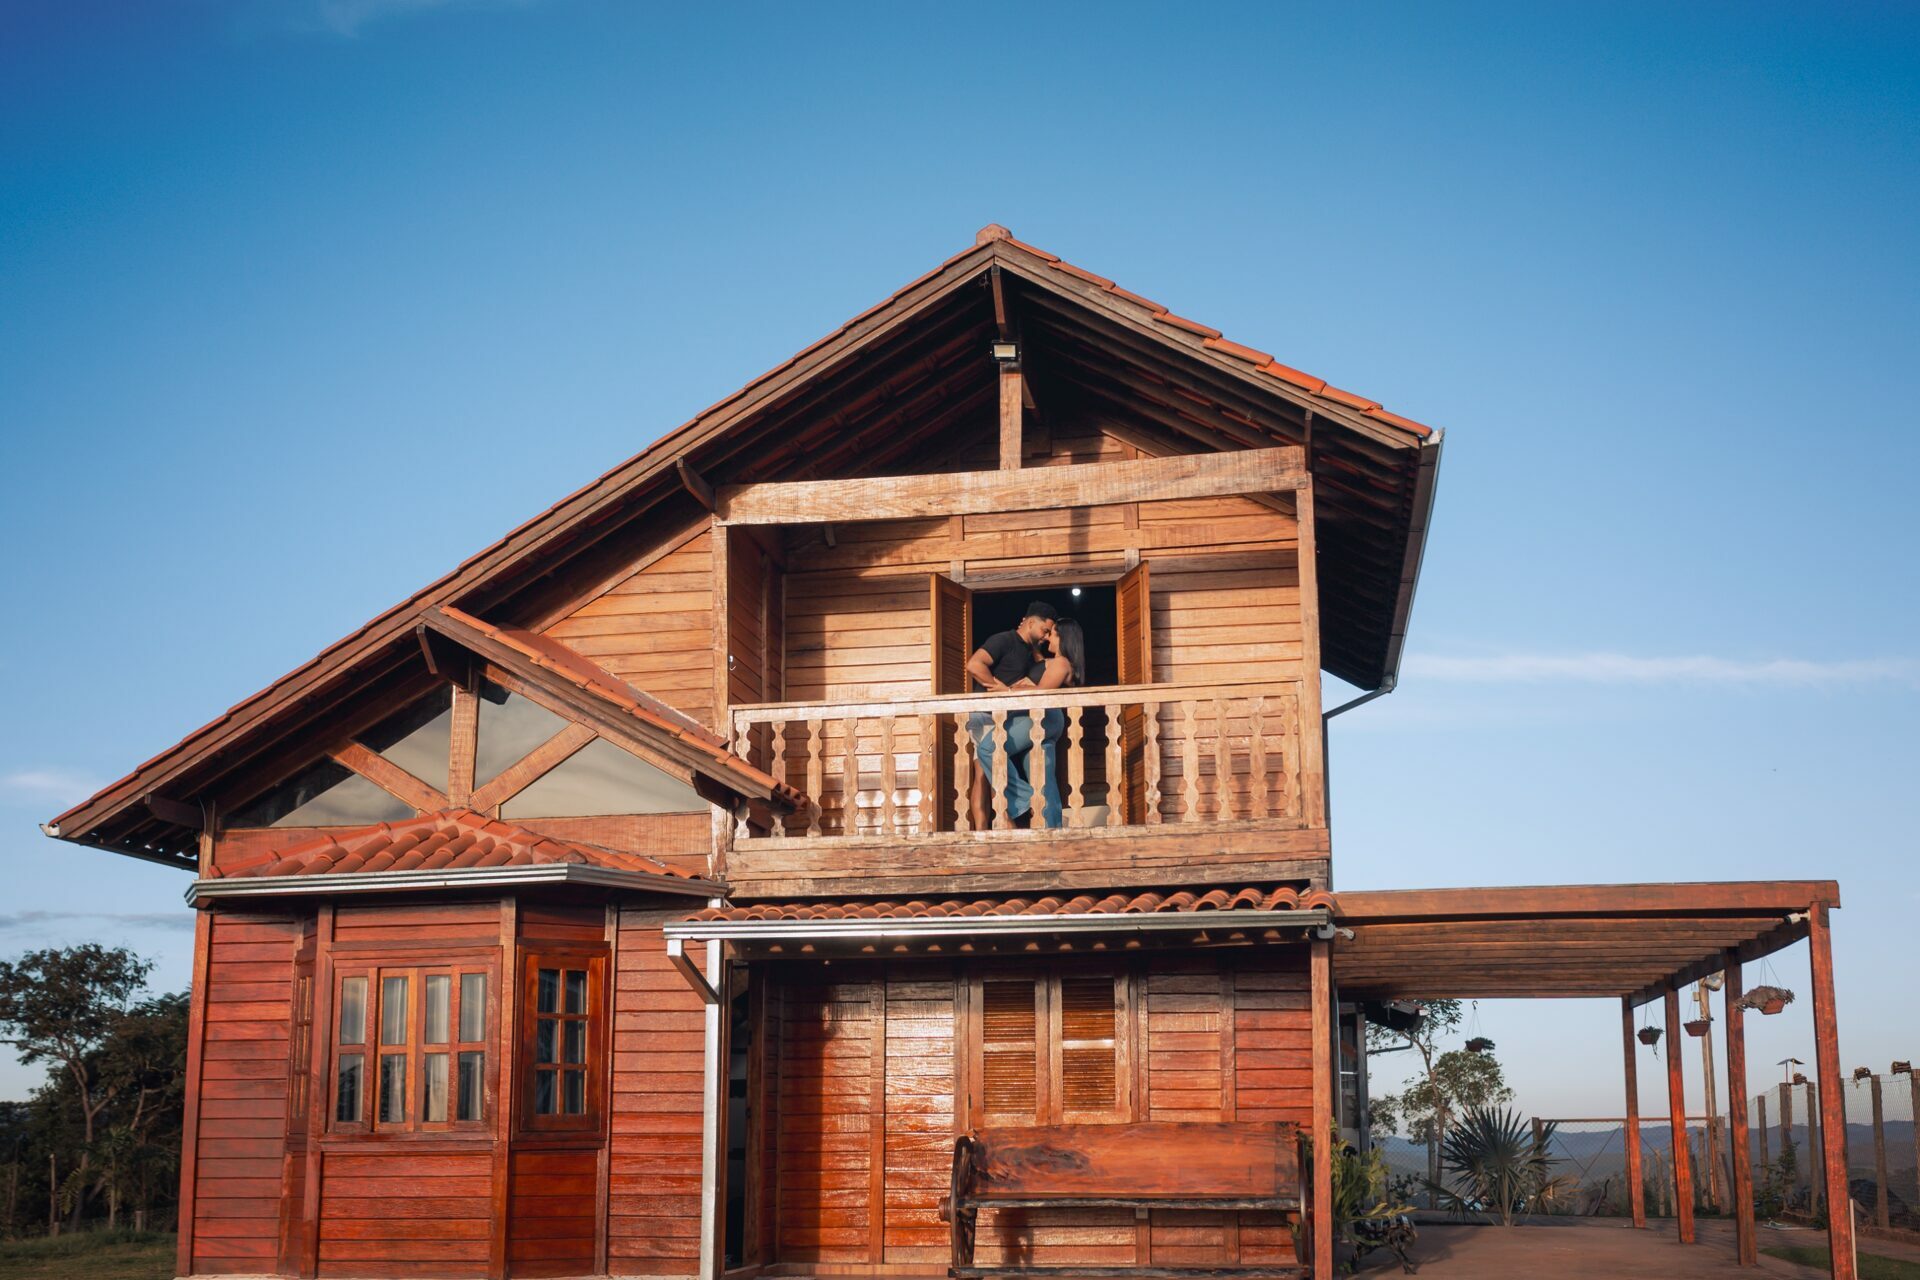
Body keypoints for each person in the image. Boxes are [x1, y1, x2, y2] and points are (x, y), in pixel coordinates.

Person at [964, 602, 1057, 829]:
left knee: (995, 771)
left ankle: (1009, 824)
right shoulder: (1004, 640)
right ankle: (984, 831)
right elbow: (974, 664)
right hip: (985, 714)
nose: (1046, 637)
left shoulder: (1030, 652)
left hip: (1006, 717)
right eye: (1044, 630)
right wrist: (1000, 689)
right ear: (1030, 622)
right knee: (984, 773)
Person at [1024, 618, 1086, 829]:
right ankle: (1051, 825)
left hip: (1046, 717)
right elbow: (1040, 668)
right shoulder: (1056, 662)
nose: (1048, 637)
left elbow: (1041, 693)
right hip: (1046, 719)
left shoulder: (1061, 662)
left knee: (991, 748)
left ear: (1063, 637)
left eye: (1052, 633)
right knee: (1043, 775)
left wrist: (1014, 689)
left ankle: (1027, 804)